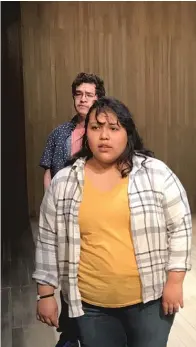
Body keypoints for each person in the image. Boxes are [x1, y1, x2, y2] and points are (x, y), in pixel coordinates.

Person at [33, 97, 192, 347]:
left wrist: (175, 281)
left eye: (113, 128)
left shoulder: (156, 174)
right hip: (91, 305)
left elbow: (181, 227)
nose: (104, 136)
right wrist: (46, 293)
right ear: (86, 135)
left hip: (150, 300)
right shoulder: (64, 181)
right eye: (96, 128)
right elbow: (47, 238)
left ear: (128, 133)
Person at [38, 72, 105, 347]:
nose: (84, 99)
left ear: (99, 98)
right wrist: (50, 205)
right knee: (69, 274)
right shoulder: (59, 134)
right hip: (65, 216)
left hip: (98, 215)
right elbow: (48, 171)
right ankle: (73, 331)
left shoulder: (107, 131)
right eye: (79, 94)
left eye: (89, 94)